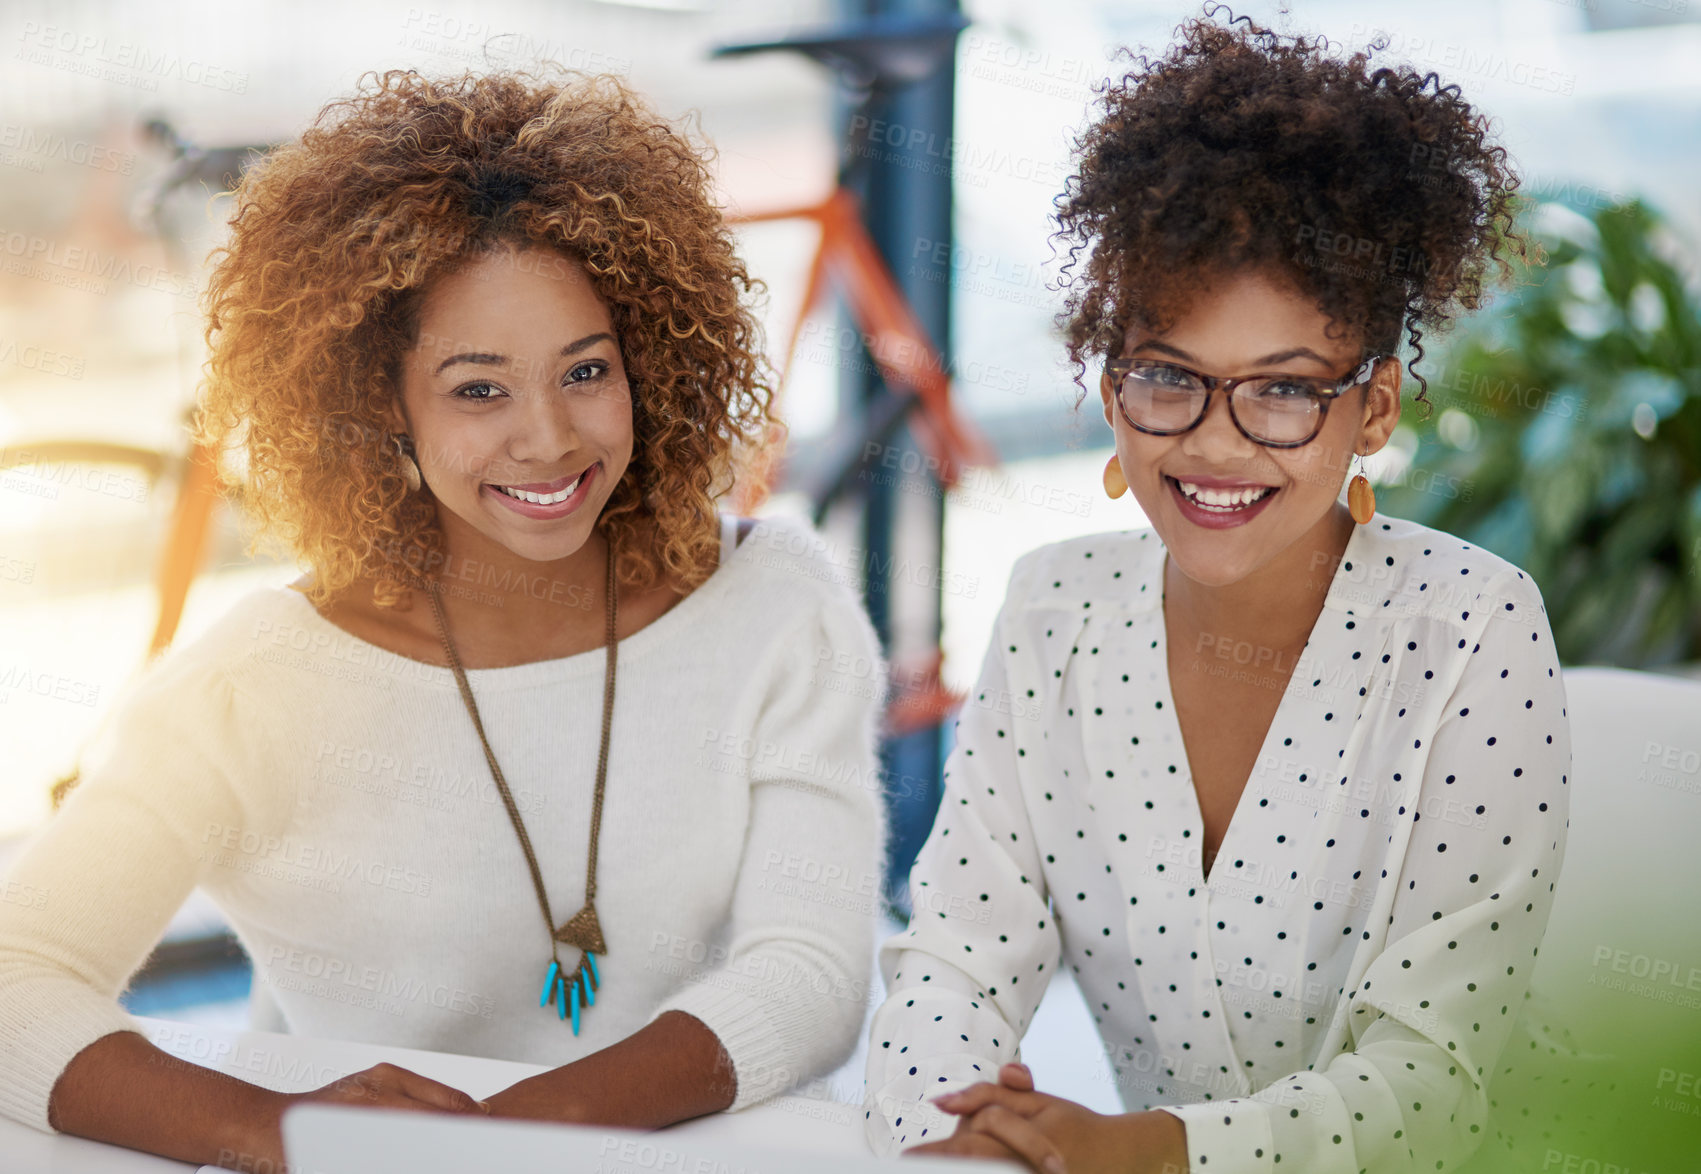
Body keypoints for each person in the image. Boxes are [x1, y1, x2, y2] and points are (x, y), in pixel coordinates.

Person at [0, 68, 886, 1169]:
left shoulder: (776, 608)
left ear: (648, 361)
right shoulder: (257, 686)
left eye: (586, 371)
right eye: (479, 389)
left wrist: (502, 1140)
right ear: (380, 402)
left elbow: (811, 976)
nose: (551, 439)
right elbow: (14, 977)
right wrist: (284, 1131)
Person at [864, 10, 1569, 1174]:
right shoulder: (1054, 614)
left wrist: (1145, 1149)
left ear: (1377, 408)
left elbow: (1431, 1087)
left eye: (1285, 391)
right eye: (1168, 377)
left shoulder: (1472, 632)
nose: (1216, 443)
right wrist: (959, 1135)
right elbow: (951, 961)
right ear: (1111, 380)